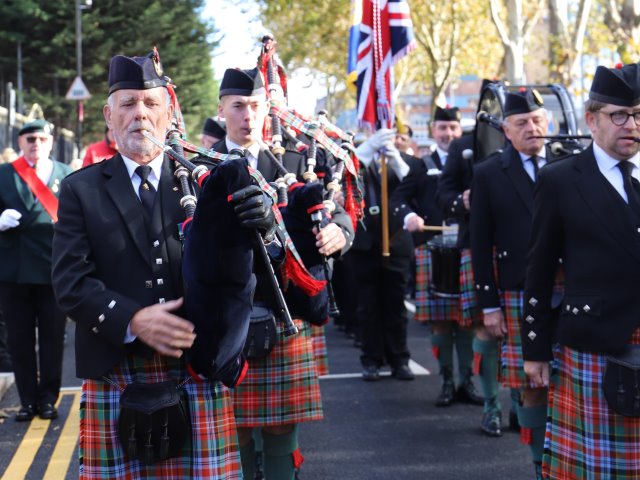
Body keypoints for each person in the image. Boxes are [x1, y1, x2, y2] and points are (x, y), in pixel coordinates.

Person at [51, 52, 255, 479]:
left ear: (168, 113)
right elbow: (69, 282)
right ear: (109, 116)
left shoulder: (207, 182)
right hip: (116, 370)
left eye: (150, 103)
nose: (139, 114)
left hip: (194, 366)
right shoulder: (80, 190)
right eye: (127, 104)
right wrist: (133, 319)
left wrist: (265, 220)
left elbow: (249, 261)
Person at [213, 66, 353, 480]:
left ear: (267, 110)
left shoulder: (294, 162)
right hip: (226, 316)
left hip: (285, 310)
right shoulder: (200, 166)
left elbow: (339, 209)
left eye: (255, 106)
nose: (247, 116)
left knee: (280, 427)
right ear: (222, 110)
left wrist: (338, 231)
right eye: (238, 106)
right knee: (232, 428)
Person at [523, 63, 640, 480]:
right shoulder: (560, 180)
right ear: (591, 120)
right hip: (595, 343)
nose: (632, 125)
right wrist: (534, 349)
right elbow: (538, 270)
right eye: (619, 115)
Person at [471, 89, 562, 477]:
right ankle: (539, 464)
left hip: (572, 289)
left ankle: (566, 457)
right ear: (506, 130)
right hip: (519, 289)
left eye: (538, 120)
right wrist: (488, 305)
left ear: (550, 123)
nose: (532, 128)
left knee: (568, 379)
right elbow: (480, 243)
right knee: (534, 380)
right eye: (522, 123)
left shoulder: (569, 163)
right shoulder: (489, 173)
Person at [392, 106, 483, 407]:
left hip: (469, 247)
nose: (448, 134)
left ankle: (467, 382)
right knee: (442, 322)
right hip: (433, 249)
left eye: (453, 129)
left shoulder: (475, 163)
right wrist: (410, 216)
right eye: (442, 128)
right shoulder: (422, 165)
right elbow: (398, 199)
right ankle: (446, 382)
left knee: (469, 321)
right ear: (433, 130)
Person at [0, 119, 72, 420]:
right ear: (20, 142)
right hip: (14, 271)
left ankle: (48, 399)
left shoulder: (67, 176)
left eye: (42, 139)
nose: (36, 144)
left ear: (51, 142)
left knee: (53, 338)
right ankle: (27, 401)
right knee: (19, 339)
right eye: (30, 139)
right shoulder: (4, 174)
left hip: (53, 269)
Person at [352, 127, 418, 381]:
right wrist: (366, 150)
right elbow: (345, 176)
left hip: (396, 242)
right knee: (368, 307)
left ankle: (399, 359)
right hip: (365, 244)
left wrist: (396, 159)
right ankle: (371, 359)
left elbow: (415, 185)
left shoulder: (403, 162)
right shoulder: (359, 160)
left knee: (396, 307)